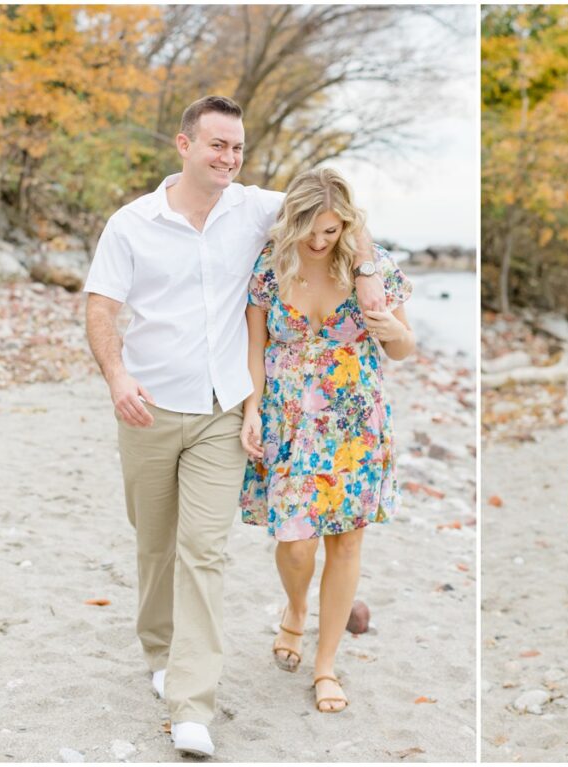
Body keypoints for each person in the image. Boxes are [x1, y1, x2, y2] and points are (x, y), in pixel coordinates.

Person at [84, 95, 384, 757]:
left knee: (204, 551)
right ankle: (161, 651)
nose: (228, 158)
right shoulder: (131, 224)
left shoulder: (255, 206)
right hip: (149, 406)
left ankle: (192, 701)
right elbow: (101, 307)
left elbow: (338, 209)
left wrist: (365, 273)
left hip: (223, 412)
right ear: (184, 144)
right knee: (155, 543)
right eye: (217, 144)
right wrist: (116, 375)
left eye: (237, 148)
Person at [238, 167, 414, 714]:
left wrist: (388, 325)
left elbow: (406, 349)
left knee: (347, 543)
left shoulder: (374, 266)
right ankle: (295, 608)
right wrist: (251, 411)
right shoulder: (270, 266)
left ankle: (326, 664)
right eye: (311, 229)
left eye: (332, 231)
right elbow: (255, 346)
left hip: (355, 422)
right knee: (293, 542)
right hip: (289, 421)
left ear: (346, 225)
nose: (319, 241)